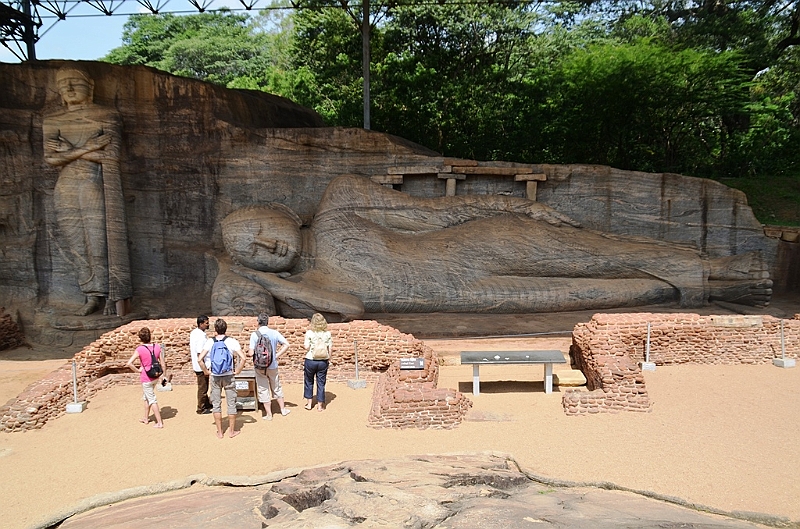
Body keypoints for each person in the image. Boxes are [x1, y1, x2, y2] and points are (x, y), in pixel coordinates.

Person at [226, 174, 772, 320]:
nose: (268, 245)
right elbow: (355, 307)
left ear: (278, 210)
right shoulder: (312, 287)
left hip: (477, 246)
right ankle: (715, 287)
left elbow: (437, 213)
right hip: (467, 293)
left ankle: (729, 269)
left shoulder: (338, 202)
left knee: (601, 252)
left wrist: (518, 207)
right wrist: (264, 282)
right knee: (603, 291)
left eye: (260, 227)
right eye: (252, 251)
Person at [42, 66, 132, 317]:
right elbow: (51, 158)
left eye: (74, 83)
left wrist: (68, 150)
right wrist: (87, 147)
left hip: (94, 185)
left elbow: (111, 156)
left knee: (98, 241)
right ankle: (91, 294)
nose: (68, 89)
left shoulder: (107, 115)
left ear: (90, 87)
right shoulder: (53, 120)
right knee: (76, 245)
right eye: (63, 85)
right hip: (66, 187)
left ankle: (110, 295)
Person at [198, 318, 246, 438]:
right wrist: (238, 370)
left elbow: (200, 359)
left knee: (216, 404)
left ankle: (220, 432)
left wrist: (206, 371)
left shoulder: (210, 342)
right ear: (226, 329)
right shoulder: (232, 341)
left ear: (215, 329)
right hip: (229, 375)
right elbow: (243, 358)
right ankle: (231, 431)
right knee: (231, 404)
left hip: (215, 376)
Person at [248, 313, 291, 420]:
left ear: (258, 322)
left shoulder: (254, 334)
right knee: (276, 386)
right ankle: (283, 410)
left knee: (263, 388)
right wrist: (276, 356)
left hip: (259, 366)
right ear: (268, 322)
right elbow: (286, 344)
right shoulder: (274, 333)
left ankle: (269, 414)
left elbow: (250, 352)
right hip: (272, 364)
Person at [126, 327, 166, 428]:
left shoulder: (140, 349)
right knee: (146, 397)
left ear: (140, 338)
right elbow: (162, 362)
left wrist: (138, 370)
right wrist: (163, 375)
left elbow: (129, 363)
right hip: (155, 376)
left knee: (152, 399)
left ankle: (159, 422)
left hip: (146, 377)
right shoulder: (156, 346)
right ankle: (146, 418)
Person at [303, 313, 333, 412]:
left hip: (311, 359)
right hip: (323, 360)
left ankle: (309, 404)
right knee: (321, 382)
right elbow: (330, 348)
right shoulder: (327, 334)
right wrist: (329, 358)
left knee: (309, 381)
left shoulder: (309, 333)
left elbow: (306, 347)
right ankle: (320, 405)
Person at [190, 315, 213, 414]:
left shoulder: (196, 333)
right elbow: (200, 353)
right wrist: (204, 368)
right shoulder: (200, 336)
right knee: (203, 387)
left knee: (204, 385)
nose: (208, 325)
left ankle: (206, 403)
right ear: (201, 324)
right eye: (206, 323)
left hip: (199, 365)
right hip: (201, 366)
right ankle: (201, 407)